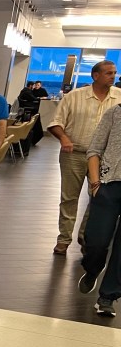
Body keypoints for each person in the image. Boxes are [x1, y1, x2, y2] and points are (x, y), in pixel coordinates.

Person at [47, 60, 121, 255]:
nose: (113, 76)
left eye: (114, 73)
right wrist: (64, 138)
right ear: (95, 75)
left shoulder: (119, 98)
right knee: (69, 197)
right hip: (75, 154)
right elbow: (55, 122)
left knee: (99, 197)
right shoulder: (74, 96)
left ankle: (85, 236)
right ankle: (64, 239)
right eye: (109, 73)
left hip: (104, 159)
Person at [77, 103, 121, 317]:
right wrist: (95, 184)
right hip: (108, 185)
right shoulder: (115, 113)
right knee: (96, 241)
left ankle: (108, 296)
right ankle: (92, 268)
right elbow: (94, 150)